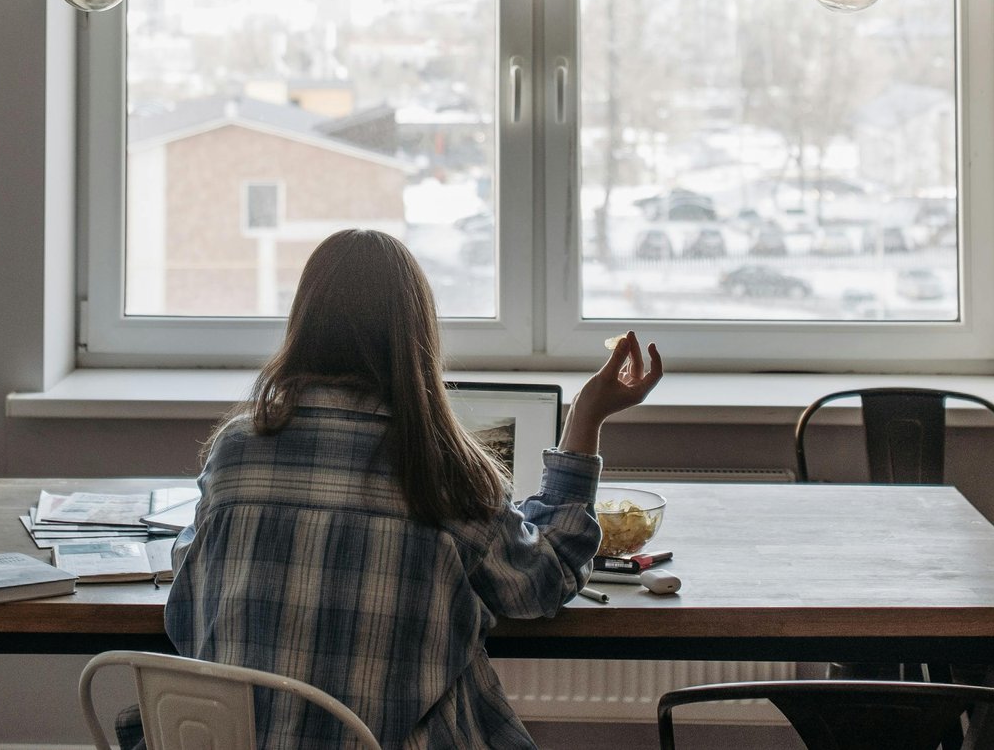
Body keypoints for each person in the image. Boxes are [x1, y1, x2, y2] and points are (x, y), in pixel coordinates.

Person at [158, 229, 666, 750]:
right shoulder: (447, 470)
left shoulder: (236, 451)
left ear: (303, 323)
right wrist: (585, 416)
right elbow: (540, 584)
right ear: (417, 334)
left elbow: (189, 586)